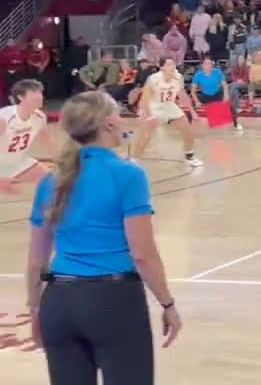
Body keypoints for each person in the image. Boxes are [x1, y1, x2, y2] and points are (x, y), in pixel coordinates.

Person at [25, 91, 182, 384]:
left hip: (58, 303)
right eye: (119, 113)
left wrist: (35, 308)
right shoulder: (128, 175)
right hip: (113, 301)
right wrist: (167, 304)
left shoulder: (50, 180)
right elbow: (142, 255)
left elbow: (36, 261)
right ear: (109, 122)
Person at [132, 58, 203, 168]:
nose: (172, 66)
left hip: (169, 105)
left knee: (187, 129)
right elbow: (145, 97)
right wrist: (148, 114)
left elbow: (182, 95)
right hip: (154, 106)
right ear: (162, 67)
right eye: (169, 64)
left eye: (173, 64)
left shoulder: (178, 77)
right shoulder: (154, 79)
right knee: (146, 136)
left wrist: (192, 111)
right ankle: (134, 159)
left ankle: (190, 157)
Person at [0, 79, 52, 192]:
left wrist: (65, 160)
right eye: (34, 93)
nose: (40, 96)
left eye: (40, 92)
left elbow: (47, 141)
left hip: (18, 161)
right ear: (20, 97)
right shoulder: (4, 118)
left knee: (52, 181)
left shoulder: (40, 117)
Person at [190, 56, 242, 132]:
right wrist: (197, 101)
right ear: (202, 65)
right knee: (191, 105)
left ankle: (236, 124)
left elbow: (224, 85)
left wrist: (226, 95)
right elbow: (192, 91)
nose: (208, 66)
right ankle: (188, 124)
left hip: (217, 94)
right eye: (206, 64)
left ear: (212, 65)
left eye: (209, 64)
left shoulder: (218, 72)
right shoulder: (198, 75)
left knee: (231, 108)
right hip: (205, 95)